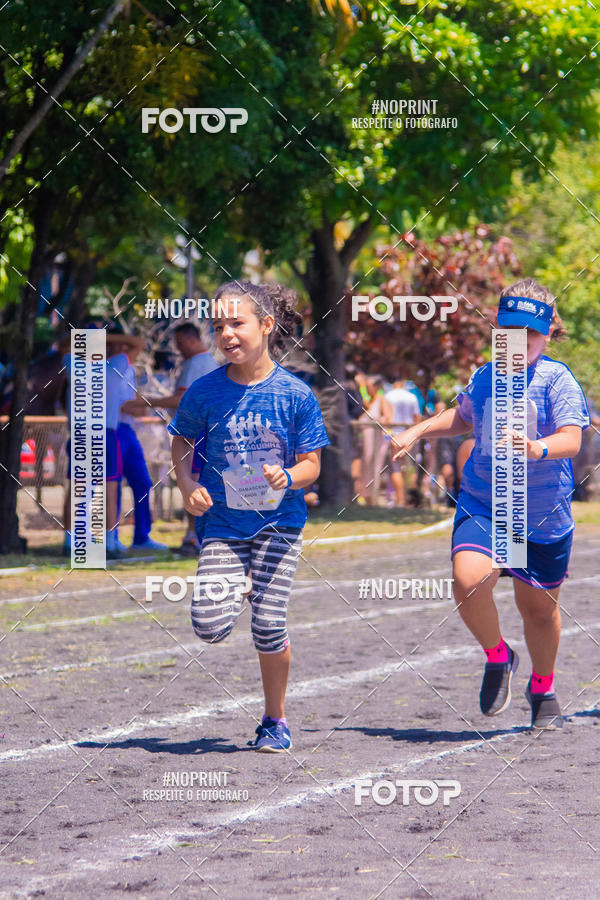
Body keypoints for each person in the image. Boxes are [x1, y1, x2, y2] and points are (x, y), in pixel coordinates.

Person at [391, 278, 589, 730]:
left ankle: (542, 687)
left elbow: (572, 439)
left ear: (547, 334)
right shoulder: (485, 376)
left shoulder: (557, 380)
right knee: (468, 580)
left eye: (530, 333)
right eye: (510, 331)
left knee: (538, 612)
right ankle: (499, 656)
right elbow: (463, 417)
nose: (519, 341)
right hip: (487, 502)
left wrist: (537, 448)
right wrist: (418, 430)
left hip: (541, 514)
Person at [168, 280, 329, 752]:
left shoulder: (295, 395)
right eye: (219, 326)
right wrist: (186, 484)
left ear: (266, 324)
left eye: (237, 323)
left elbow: (312, 465)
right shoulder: (204, 391)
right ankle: (239, 579)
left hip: (280, 524)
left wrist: (289, 476)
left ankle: (274, 721)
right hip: (223, 524)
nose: (226, 334)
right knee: (209, 626)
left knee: (268, 622)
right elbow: (181, 441)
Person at [129, 322, 218, 556]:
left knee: (193, 481)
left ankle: (195, 536)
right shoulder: (207, 362)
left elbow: (181, 400)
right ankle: (195, 534)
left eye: (180, 343)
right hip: (201, 431)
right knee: (194, 480)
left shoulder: (196, 363)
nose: (178, 349)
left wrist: (145, 401)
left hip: (198, 433)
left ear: (191, 340)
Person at [109, 331, 168, 553]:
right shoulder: (104, 367)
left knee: (142, 482)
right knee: (112, 484)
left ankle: (142, 536)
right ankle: (111, 537)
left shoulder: (129, 369)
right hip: (112, 430)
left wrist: (138, 404)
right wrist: (141, 404)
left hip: (128, 430)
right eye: (118, 345)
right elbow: (124, 404)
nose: (123, 350)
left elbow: (133, 404)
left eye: (125, 346)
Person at [385, 379, 421, 506]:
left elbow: (387, 417)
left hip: (394, 435)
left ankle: (401, 501)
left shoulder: (388, 396)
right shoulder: (412, 397)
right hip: (410, 435)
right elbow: (417, 417)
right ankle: (410, 501)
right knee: (411, 468)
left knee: (395, 468)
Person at [358, 375, 392, 504]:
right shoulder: (369, 402)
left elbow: (388, 417)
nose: (367, 389)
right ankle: (366, 496)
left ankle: (373, 497)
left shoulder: (382, 400)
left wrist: (378, 422)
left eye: (369, 387)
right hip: (366, 442)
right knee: (366, 467)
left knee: (375, 467)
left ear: (377, 387)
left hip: (377, 440)